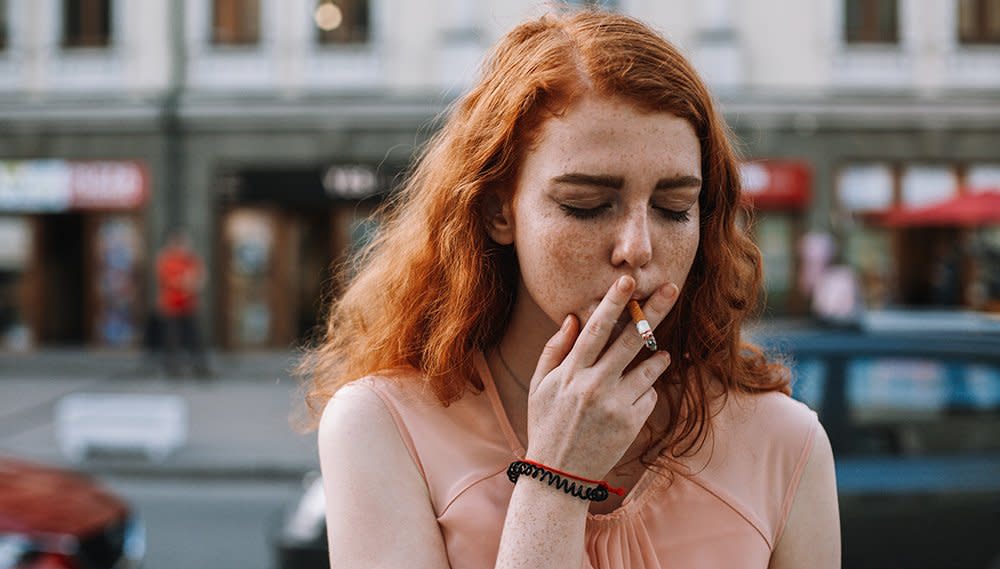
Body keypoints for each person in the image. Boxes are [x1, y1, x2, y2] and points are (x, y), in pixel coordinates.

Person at [300, 9, 839, 568]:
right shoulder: (385, 424)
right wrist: (554, 480)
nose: (638, 246)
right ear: (497, 210)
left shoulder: (784, 443)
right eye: (587, 204)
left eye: (675, 208)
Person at [156, 229, 210, 377]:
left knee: (195, 338)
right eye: (182, 244)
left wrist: (192, 283)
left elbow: (201, 278)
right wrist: (187, 283)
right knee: (172, 339)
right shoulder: (167, 260)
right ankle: (172, 369)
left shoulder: (192, 260)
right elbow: (170, 281)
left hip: (189, 305)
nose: (185, 248)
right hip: (171, 306)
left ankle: (200, 368)